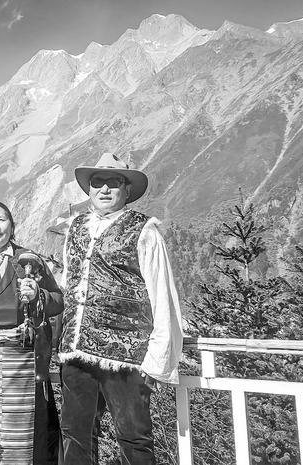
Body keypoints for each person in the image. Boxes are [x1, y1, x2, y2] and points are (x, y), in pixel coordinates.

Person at [57, 153, 184, 465]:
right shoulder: (75, 228)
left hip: (126, 356)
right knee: (75, 433)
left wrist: (157, 361)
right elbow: (71, 283)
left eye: (112, 182)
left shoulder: (145, 231)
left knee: (133, 437)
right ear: (89, 188)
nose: (104, 189)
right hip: (77, 351)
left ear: (126, 189)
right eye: (97, 182)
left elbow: (162, 294)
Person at [0, 200, 63, 465]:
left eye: (1, 219)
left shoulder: (29, 259)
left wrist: (38, 295)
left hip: (23, 355)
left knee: (24, 430)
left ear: (12, 225)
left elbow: (58, 300)